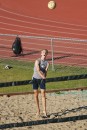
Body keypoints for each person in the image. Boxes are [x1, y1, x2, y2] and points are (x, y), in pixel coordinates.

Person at [32, 49, 49, 117]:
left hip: (42, 80)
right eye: (43, 52)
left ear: (47, 54)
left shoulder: (47, 63)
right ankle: (38, 110)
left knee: (43, 95)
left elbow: (46, 71)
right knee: (36, 95)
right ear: (41, 53)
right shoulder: (37, 61)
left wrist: (44, 76)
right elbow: (38, 70)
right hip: (35, 79)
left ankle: (44, 111)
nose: (44, 53)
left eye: (45, 52)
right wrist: (43, 76)